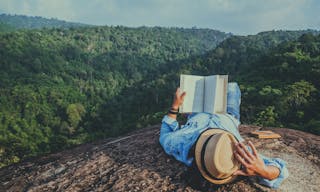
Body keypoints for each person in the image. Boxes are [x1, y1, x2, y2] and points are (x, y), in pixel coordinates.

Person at [159, 83, 289, 189]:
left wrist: (175, 105)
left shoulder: (180, 143)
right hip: (227, 114)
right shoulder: (234, 152)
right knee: (232, 86)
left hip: (196, 113)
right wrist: (263, 171)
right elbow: (281, 170)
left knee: (198, 86)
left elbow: (165, 132)